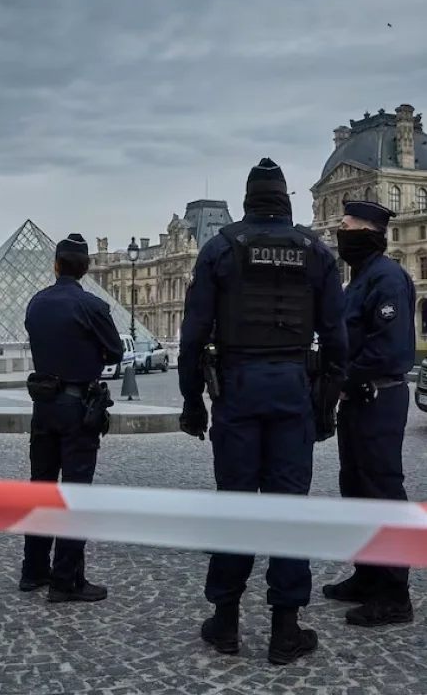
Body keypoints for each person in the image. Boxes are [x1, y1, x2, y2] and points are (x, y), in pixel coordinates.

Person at [178, 159, 348, 665]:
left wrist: (192, 403)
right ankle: (285, 628)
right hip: (294, 389)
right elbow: (337, 339)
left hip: (237, 389)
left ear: (249, 200)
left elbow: (192, 339)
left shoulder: (220, 248)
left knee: (234, 505)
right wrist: (327, 403)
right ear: (287, 200)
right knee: (288, 509)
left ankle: (225, 622)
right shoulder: (316, 251)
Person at [323, 200, 415, 626]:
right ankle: (366, 575)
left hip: (378, 396)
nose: (340, 233)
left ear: (368, 232)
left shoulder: (388, 278)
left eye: (346, 226)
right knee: (356, 489)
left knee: (382, 492)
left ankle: (395, 595)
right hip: (358, 399)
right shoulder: (360, 279)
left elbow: (391, 349)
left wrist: (347, 376)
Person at [20, 233, 123, 602]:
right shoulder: (92, 305)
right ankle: (66, 580)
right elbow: (114, 352)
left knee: (41, 488)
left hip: (43, 405)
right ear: (86, 268)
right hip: (78, 406)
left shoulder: (36, 303)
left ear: (56, 265)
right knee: (74, 494)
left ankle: (33, 571)